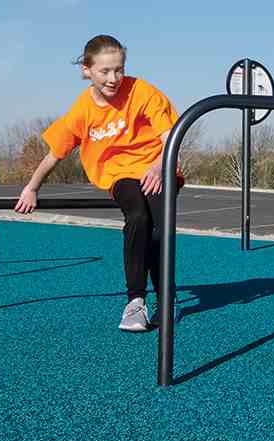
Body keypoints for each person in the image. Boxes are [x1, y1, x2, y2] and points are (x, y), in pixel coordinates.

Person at [14, 34, 179, 332]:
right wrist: (32, 187)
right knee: (138, 216)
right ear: (87, 70)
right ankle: (135, 302)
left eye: (119, 69)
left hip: (159, 166)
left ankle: (166, 296)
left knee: (158, 224)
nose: (114, 78)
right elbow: (55, 155)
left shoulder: (141, 92)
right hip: (120, 175)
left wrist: (158, 167)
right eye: (105, 71)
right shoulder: (82, 110)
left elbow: (170, 138)